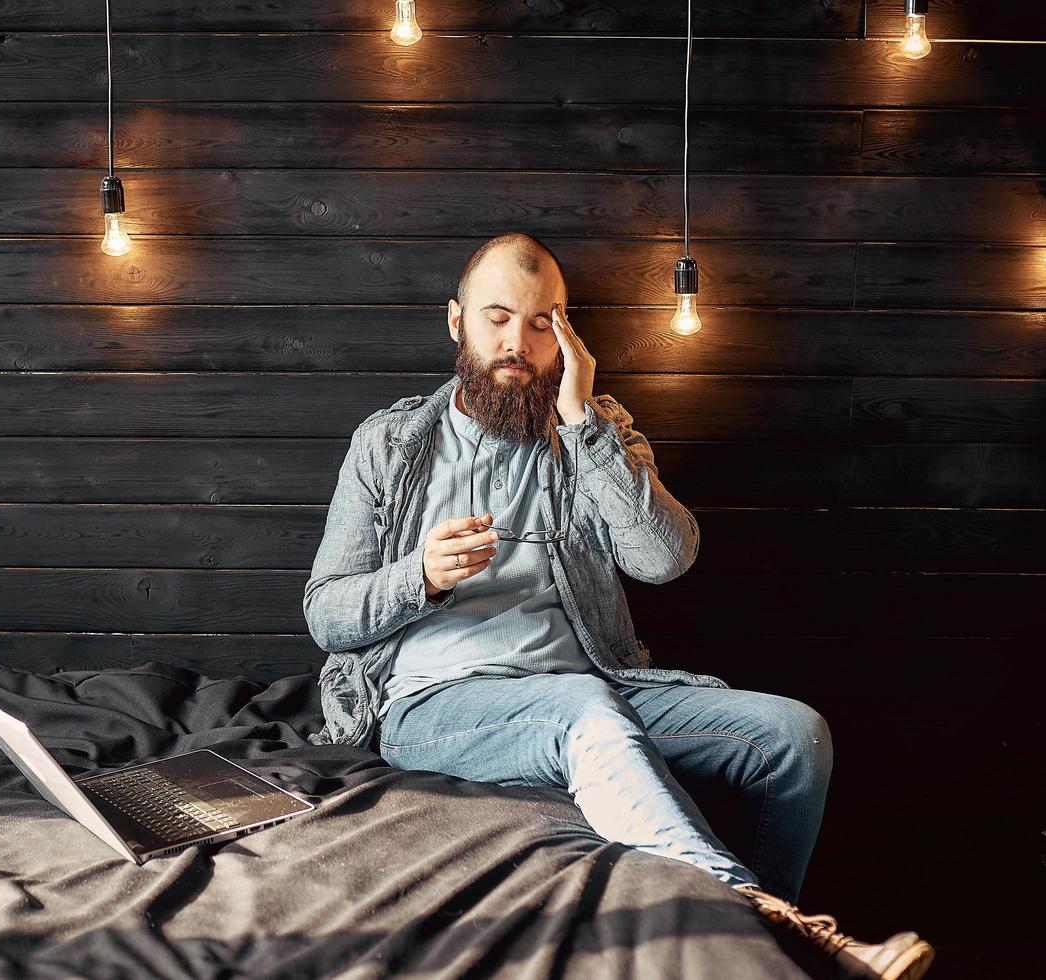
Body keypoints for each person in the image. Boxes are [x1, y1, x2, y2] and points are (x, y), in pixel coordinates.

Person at [302, 233, 935, 980]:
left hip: (595, 682)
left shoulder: (595, 429)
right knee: (580, 708)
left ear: (567, 331)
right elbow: (326, 614)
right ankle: (777, 931)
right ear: (456, 322)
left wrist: (582, 420)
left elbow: (665, 559)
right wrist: (421, 577)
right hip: (434, 708)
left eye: (544, 321)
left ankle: (748, 959)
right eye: (497, 317)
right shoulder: (390, 443)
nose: (518, 341)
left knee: (792, 736)